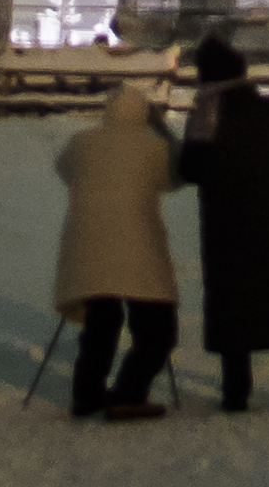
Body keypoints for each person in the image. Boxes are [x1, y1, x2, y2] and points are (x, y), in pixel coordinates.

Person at [172, 35, 269, 410]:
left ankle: (236, 392)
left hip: (225, 229)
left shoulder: (205, 118)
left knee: (231, 305)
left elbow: (189, 171)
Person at [50, 79, 182, 420]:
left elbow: (64, 169)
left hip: (88, 247)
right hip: (141, 247)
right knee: (156, 330)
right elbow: (178, 177)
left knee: (102, 324)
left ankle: (87, 394)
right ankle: (128, 393)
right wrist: (163, 130)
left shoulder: (81, 143)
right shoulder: (153, 149)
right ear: (143, 116)